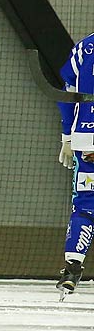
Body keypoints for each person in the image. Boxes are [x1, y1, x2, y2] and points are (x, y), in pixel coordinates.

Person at [56, 30, 94, 297]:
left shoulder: (85, 48)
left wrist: (67, 137)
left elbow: (66, 94)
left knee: (85, 206)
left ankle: (72, 268)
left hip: (87, 140)